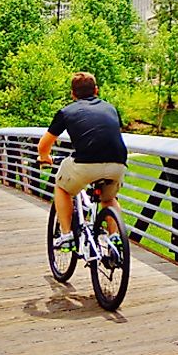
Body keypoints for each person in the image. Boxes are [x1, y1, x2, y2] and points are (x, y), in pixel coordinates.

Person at [37, 72, 127, 250]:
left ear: (72, 93)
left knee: (62, 188)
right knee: (108, 198)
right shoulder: (111, 108)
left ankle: (66, 235)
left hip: (86, 164)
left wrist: (45, 157)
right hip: (117, 163)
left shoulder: (66, 111)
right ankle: (115, 237)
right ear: (96, 90)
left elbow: (43, 145)